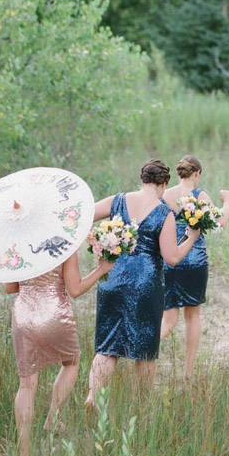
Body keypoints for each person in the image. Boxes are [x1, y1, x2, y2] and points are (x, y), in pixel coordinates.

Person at [86, 159, 200, 405]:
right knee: (145, 349)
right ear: (163, 184)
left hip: (112, 279)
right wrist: (190, 237)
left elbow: (84, 216)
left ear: (142, 180)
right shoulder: (164, 213)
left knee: (108, 347)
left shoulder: (117, 201)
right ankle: (143, 405)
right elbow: (171, 258)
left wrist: (95, 241)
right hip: (145, 285)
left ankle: (93, 396)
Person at [6, 250, 112, 456]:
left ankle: (24, 451)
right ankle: (52, 418)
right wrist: (102, 269)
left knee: (27, 384)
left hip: (24, 315)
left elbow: (9, 288)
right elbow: (75, 289)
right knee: (71, 361)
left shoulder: (17, 244)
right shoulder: (64, 243)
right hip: (54, 312)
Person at [160, 154, 229, 379]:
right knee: (193, 317)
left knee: (168, 320)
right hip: (195, 262)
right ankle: (188, 372)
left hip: (171, 260)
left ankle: (141, 345)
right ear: (197, 173)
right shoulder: (198, 195)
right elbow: (219, 222)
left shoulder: (165, 195)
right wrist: (228, 201)